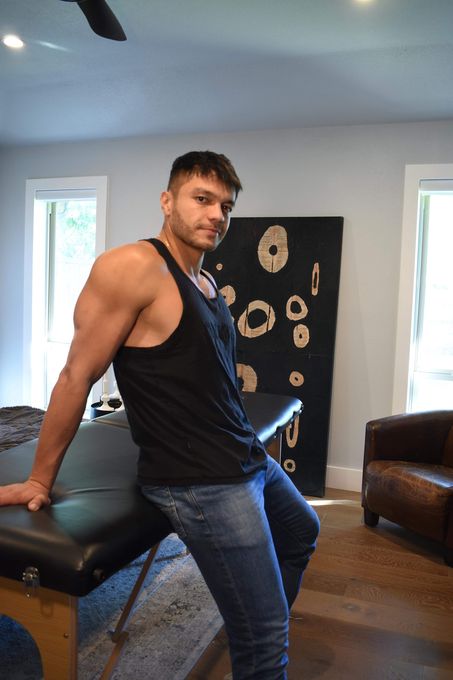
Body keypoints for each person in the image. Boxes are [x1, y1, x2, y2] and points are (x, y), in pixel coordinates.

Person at [0, 150, 319, 680]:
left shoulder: (207, 284)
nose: (216, 214)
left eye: (226, 206)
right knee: (266, 637)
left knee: (302, 531)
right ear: (167, 201)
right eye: (202, 199)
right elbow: (76, 375)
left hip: (241, 455)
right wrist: (39, 479)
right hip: (201, 480)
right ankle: (261, 638)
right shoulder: (133, 268)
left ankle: (258, 627)